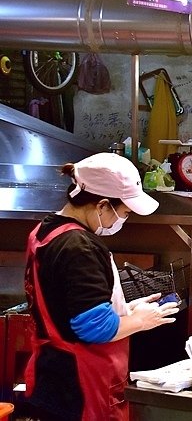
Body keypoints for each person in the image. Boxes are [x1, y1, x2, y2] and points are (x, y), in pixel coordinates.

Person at [24, 153, 179, 420]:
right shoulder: (79, 246)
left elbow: (68, 304)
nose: (123, 220)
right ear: (102, 205)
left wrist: (126, 309)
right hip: (81, 385)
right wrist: (141, 321)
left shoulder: (45, 231)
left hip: (54, 374)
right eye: (124, 213)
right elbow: (94, 328)